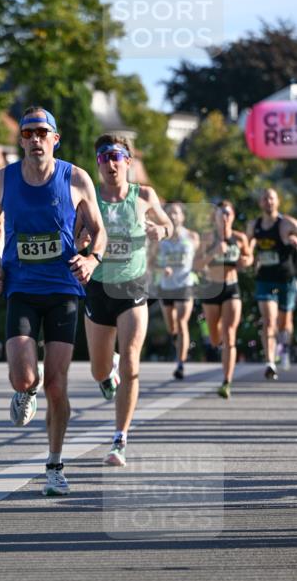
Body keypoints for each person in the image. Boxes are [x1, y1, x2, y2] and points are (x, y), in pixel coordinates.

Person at [0, 105, 107, 497]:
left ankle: (54, 465)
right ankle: (24, 391)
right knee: (25, 377)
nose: (35, 139)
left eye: (42, 133)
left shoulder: (76, 178)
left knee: (56, 384)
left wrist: (92, 260)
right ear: (21, 140)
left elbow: (98, 229)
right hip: (21, 288)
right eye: (28, 133)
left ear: (55, 139)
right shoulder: (2, 179)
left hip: (63, 290)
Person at [79, 134, 173, 467]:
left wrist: (161, 231)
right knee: (98, 370)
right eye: (103, 157)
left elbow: (168, 224)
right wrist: (82, 239)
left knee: (132, 362)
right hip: (99, 288)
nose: (110, 163)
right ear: (98, 164)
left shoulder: (144, 195)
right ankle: (109, 373)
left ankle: (120, 438)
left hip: (133, 288)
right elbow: (75, 238)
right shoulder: (90, 198)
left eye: (116, 156)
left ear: (128, 162)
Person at [194, 200, 252, 399]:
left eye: (228, 213)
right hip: (211, 288)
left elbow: (249, 257)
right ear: (216, 217)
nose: (225, 217)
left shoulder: (239, 238)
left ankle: (227, 381)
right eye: (221, 213)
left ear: (233, 216)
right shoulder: (207, 238)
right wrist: (213, 253)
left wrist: (246, 260)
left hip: (231, 287)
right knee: (215, 338)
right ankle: (217, 343)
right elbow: (196, 265)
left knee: (229, 334)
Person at [245, 188, 297, 378]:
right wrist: (249, 257)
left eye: (272, 198)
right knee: (268, 320)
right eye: (265, 198)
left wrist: (294, 240)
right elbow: (246, 247)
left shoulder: (287, 223)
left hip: (286, 279)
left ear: (278, 201)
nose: (268, 201)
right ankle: (270, 362)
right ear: (260, 203)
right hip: (265, 279)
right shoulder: (254, 225)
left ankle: (284, 348)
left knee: (284, 323)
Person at [151, 202, 199, 379]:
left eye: (176, 213)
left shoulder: (192, 236)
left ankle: (180, 363)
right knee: (172, 327)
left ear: (182, 217)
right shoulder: (161, 239)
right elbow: (150, 263)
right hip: (166, 286)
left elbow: (200, 259)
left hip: (185, 284)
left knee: (181, 321)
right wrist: (161, 269)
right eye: (169, 213)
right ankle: (176, 340)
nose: (172, 216)